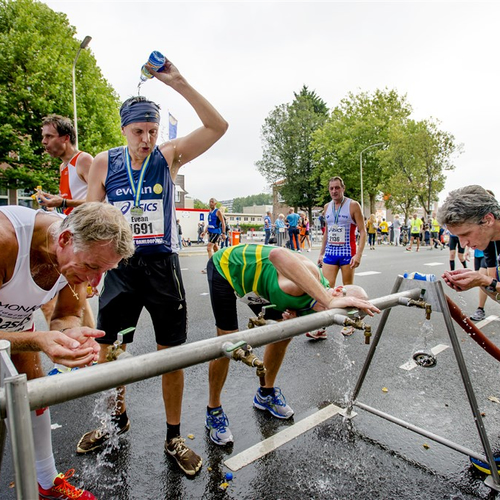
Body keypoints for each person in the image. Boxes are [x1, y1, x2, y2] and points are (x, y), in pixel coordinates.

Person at [83, 55, 228, 476]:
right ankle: (114, 420)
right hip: (122, 268)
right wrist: (90, 272)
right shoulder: (104, 162)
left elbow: (218, 128)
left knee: (171, 356)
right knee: (109, 350)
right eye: (138, 131)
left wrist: (178, 82)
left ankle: (173, 436)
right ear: (123, 129)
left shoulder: (169, 156)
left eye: (152, 130)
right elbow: (91, 219)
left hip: (163, 268)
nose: (146, 139)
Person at [0, 202, 135, 500]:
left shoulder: (75, 249)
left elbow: (66, 314)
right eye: (91, 267)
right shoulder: (5, 241)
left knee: (34, 397)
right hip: (15, 329)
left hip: (15, 326)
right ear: (64, 240)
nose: (94, 282)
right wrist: (39, 341)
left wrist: (65, 334)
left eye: (105, 271)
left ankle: (47, 483)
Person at [204, 244, 379, 445]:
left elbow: (292, 306)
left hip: (258, 287)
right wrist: (329, 301)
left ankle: (265, 394)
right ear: (338, 290)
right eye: (347, 306)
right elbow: (277, 254)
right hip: (228, 267)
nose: (343, 313)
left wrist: (292, 315)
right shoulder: (312, 278)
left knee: (284, 334)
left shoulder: (315, 308)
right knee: (228, 342)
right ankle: (213, 409)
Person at [38, 114, 96, 338]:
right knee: (74, 295)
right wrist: (57, 203)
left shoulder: (83, 160)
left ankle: (75, 352)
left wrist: (62, 202)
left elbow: (98, 199)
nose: (44, 141)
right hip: (71, 236)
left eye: (49, 136)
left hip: (83, 237)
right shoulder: (64, 166)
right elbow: (74, 200)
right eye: (43, 136)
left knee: (55, 300)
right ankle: (91, 349)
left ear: (65, 138)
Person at [316, 176, 366, 338]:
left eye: (337, 188)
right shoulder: (327, 207)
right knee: (325, 291)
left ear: (343, 188)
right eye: (331, 188)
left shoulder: (353, 205)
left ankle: (350, 322)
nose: (334, 191)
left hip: (347, 254)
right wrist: (321, 253)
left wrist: (358, 254)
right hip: (330, 254)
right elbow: (326, 232)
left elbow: (363, 231)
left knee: (347, 290)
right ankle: (321, 327)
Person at [438, 186, 500, 302]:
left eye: (466, 234)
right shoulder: (488, 239)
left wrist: (484, 281)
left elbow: (493, 284)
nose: (462, 245)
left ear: (488, 220)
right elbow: (498, 296)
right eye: (458, 237)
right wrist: (477, 281)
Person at [202, 197, 226, 272]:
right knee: (215, 248)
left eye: (212, 202)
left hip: (216, 232)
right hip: (211, 232)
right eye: (210, 202)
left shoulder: (217, 211)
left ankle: (211, 267)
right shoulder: (209, 213)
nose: (210, 203)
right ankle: (221, 262)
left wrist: (223, 233)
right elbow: (209, 224)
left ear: (215, 203)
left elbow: (223, 223)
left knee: (209, 248)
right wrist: (204, 232)